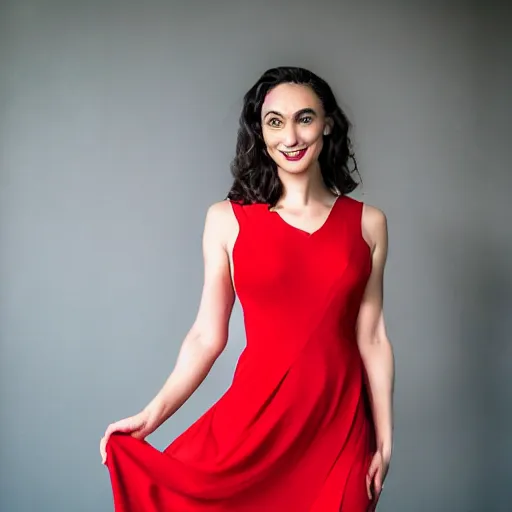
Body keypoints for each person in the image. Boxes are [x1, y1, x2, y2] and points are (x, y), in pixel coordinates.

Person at [100, 66, 394, 511]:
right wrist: (150, 416)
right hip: (254, 426)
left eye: (305, 118)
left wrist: (386, 438)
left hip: (341, 427)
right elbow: (206, 335)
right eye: (275, 121)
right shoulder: (226, 219)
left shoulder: (369, 223)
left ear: (327, 123)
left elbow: (371, 336)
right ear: (260, 130)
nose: (291, 136)